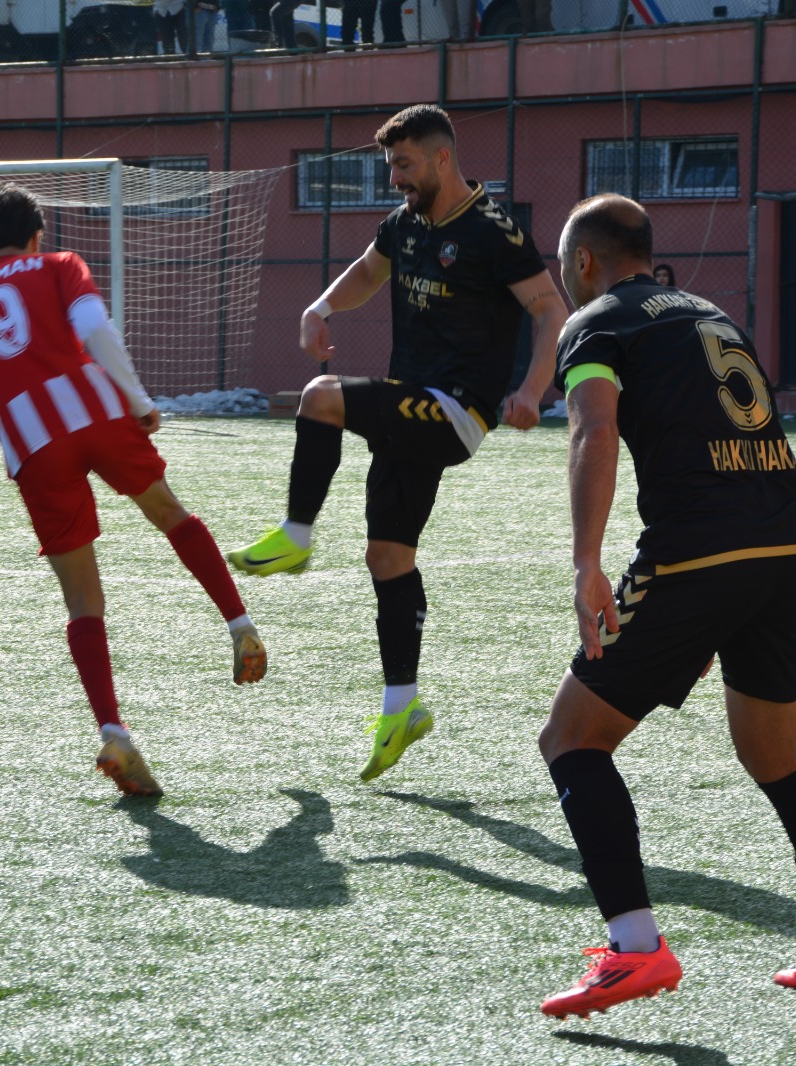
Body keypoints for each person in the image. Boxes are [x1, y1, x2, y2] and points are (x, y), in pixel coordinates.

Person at [536, 194, 796, 1019]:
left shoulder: (594, 323)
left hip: (700, 550)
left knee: (571, 739)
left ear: (584, 260)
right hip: (785, 550)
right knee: (777, 757)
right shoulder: (708, 312)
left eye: (564, 264)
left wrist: (587, 564)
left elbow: (593, 429)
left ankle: (635, 948)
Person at [227, 104, 568, 782]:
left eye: (405, 165)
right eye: (391, 167)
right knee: (387, 557)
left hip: (455, 409)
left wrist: (533, 388)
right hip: (413, 405)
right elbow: (366, 271)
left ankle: (296, 534)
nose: (396, 179)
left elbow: (550, 308)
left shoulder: (493, 229)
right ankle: (401, 708)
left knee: (321, 396)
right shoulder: (406, 223)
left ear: (443, 157)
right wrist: (318, 307)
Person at [0, 183, 267, 798]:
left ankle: (114, 732)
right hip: (94, 410)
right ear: (37, 235)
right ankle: (238, 623)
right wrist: (138, 402)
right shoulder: (60, 264)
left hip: (31, 445)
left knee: (82, 601)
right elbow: (95, 330)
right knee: (170, 513)